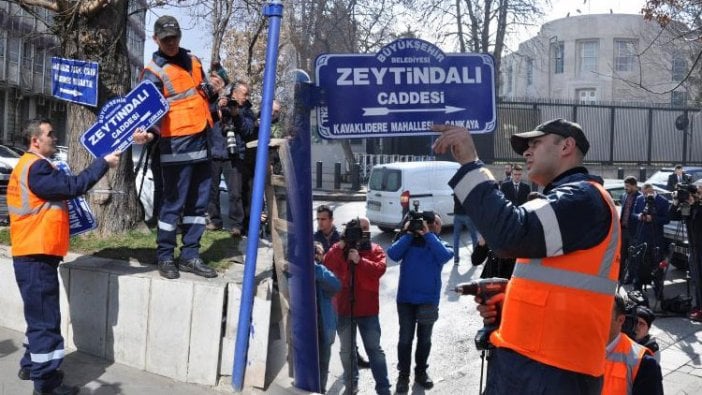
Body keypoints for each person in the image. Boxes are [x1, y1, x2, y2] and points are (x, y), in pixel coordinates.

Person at [432, 118, 620, 393]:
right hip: (535, 365)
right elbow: (561, 282)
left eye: (535, 143)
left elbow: (509, 233)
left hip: (552, 372)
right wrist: (511, 295)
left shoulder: (583, 198)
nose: (526, 152)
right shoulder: (567, 199)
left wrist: (471, 164)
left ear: (567, 146)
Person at [9, 119, 120, 395]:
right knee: (46, 322)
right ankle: (46, 385)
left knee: (38, 317)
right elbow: (74, 186)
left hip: (32, 253)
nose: (54, 137)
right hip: (36, 255)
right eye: (50, 134)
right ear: (35, 140)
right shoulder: (36, 168)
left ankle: (30, 365)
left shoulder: (28, 166)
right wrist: (103, 162)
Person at [133, 15, 218, 279]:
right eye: (166, 39)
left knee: (198, 205)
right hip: (175, 146)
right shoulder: (153, 71)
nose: (171, 43)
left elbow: (201, 95)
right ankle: (165, 256)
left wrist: (214, 92)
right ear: (156, 39)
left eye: (175, 37)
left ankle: (190, 255)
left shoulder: (194, 61)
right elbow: (147, 112)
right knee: (172, 205)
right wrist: (148, 133)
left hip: (203, 140)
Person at [323, 218, 391, 395]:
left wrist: (360, 261)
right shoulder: (340, 249)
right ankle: (351, 384)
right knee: (347, 351)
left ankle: (383, 389)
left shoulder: (375, 249)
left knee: (374, 350)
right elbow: (327, 263)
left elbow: (379, 269)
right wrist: (341, 244)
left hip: (368, 310)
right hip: (345, 309)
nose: (362, 232)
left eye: (365, 228)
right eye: (358, 229)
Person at [387, 213, 453, 393]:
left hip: (428, 300)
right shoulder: (408, 241)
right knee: (405, 340)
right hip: (406, 300)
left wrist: (428, 235)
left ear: (439, 227)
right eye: (429, 223)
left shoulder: (440, 244)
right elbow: (392, 254)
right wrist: (408, 233)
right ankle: (403, 376)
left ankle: (421, 372)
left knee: (424, 340)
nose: (431, 225)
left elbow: (444, 256)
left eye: (435, 223)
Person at [312, 204, 371, 368]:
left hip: (344, 289)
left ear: (331, 220)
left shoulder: (343, 237)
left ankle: (355, 359)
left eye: (323, 219)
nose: (320, 222)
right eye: (318, 219)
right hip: (325, 291)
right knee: (325, 333)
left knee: (346, 331)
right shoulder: (314, 238)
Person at [603, 294, 663, 395]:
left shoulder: (644, 364)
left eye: (603, 314)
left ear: (621, 320)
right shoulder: (577, 352)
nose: (595, 318)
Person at [224, 80, 258, 237]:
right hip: (225, 154)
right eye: (244, 94)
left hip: (243, 155)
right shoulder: (224, 106)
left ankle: (244, 225)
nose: (246, 97)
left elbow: (247, 130)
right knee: (234, 192)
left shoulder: (249, 112)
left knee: (244, 192)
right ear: (235, 93)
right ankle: (235, 224)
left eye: (248, 94)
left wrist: (237, 116)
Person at [205, 62, 233, 232]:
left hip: (229, 152)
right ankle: (215, 221)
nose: (216, 85)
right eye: (213, 81)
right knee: (212, 190)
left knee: (235, 191)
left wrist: (227, 106)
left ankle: (238, 225)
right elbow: (205, 111)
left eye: (219, 82)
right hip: (213, 149)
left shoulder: (231, 100)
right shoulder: (207, 99)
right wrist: (217, 106)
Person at [669, 184, 702, 322]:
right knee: (696, 279)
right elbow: (673, 216)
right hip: (694, 247)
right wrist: (675, 202)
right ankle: (699, 306)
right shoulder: (690, 207)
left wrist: (694, 203)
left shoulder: (698, 207)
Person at [631, 183, 670, 291]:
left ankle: (658, 290)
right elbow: (633, 214)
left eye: (645, 194)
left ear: (651, 191)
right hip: (641, 237)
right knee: (639, 265)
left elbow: (666, 220)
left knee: (657, 265)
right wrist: (639, 216)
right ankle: (637, 290)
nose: (643, 196)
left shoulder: (663, 201)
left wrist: (652, 218)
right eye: (642, 194)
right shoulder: (639, 199)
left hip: (656, 239)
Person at [314, 241, 341, 394]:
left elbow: (336, 285)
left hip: (324, 328)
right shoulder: (308, 271)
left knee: (323, 364)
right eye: (315, 252)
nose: (317, 255)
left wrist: (316, 267)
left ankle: (321, 390)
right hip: (310, 328)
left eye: (319, 252)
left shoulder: (321, 272)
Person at [620, 176, 642, 283]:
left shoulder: (640, 197)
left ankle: (630, 277)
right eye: (625, 186)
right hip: (623, 230)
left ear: (634, 186)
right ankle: (620, 276)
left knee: (632, 255)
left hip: (633, 231)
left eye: (628, 186)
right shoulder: (624, 196)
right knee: (622, 254)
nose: (626, 188)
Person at [452, 195, 478, 265]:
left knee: (456, 237)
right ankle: (475, 258)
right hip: (467, 215)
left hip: (457, 215)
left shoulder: (456, 189)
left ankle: (456, 259)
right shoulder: (467, 189)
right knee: (473, 236)